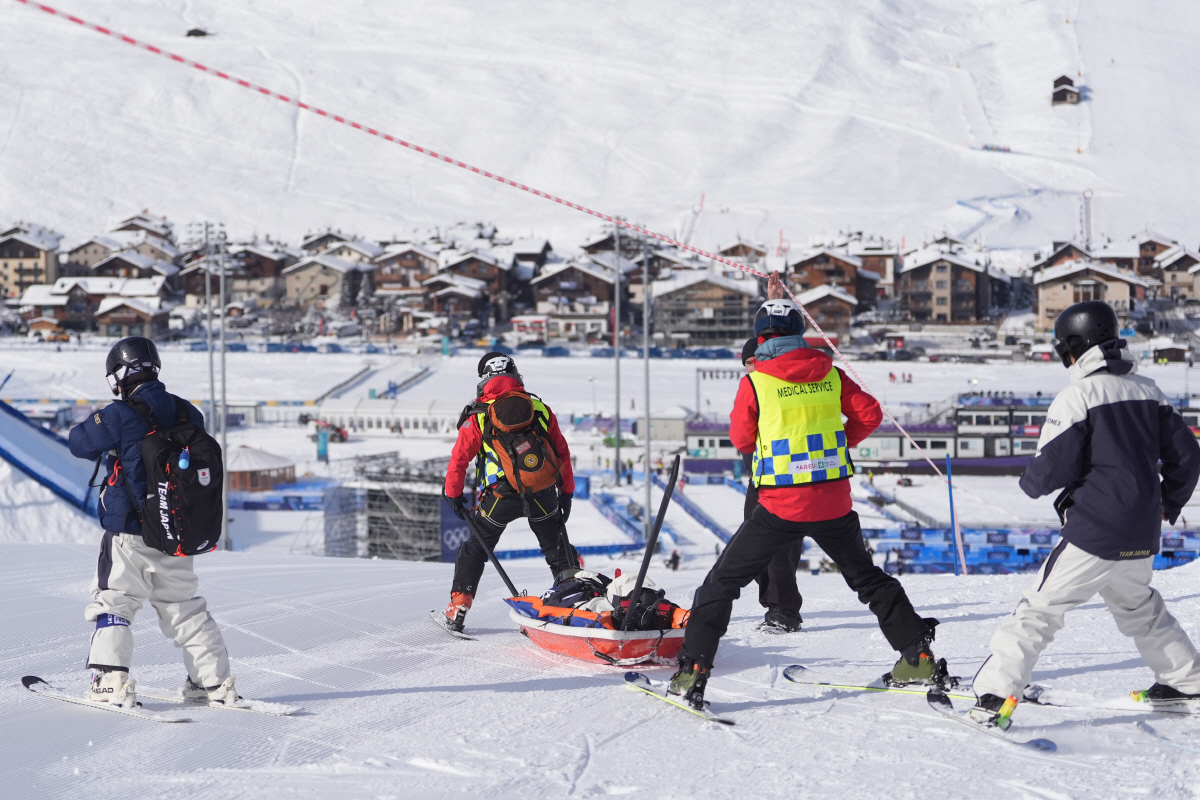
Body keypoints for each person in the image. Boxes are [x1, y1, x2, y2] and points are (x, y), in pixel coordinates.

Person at [668, 295, 946, 708]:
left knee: (721, 584)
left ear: (760, 335)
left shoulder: (756, 381)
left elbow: (742, 439)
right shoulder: (831, 375)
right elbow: (869, 414)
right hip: (834, 502)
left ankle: (692, 671)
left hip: (781, 506)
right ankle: (917, 656)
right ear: (800, 333)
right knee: (868, 580)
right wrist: (834, 447)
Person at [969, 302, 1200, 729]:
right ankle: (1186, 682)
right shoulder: (1150, 390)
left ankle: (993, 696)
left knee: (1039, 610)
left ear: (1075, 346)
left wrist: (1031, 481)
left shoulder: (1079, 395)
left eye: (1064, 349)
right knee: (1139, 608)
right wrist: (1170, 500)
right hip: (1142, 528)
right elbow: (1187, 456)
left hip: (1095, 528)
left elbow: (1049, 470)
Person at [67, 337, 234, 707]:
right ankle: (213, 684)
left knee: (115, 602)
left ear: (119, 376)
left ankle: (110, 681)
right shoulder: (189, 413)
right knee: (185, 608)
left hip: (129, 533)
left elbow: (78, 442)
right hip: (176, 533)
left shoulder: (119, 414)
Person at [442, 352, 577, 632]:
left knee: (476, 548)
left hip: (499, 497)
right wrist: (566, 492)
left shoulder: (478, 415)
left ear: (484, 380)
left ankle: (458, 606)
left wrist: (453, 495)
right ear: (516, 374)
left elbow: (459, 460)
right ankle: (577, 601)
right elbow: (561, 452)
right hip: (542, 491)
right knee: (557, 548)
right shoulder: (538, 408)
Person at [740, 335, 804, 634]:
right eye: (746, 364)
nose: (749, 368)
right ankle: (778, 603)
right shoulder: (755, 388)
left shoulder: (783, 388)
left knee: (778, 544)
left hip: (785, 478)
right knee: (756, 545)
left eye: (753, 361)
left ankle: (783, 610)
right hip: (761, 476)